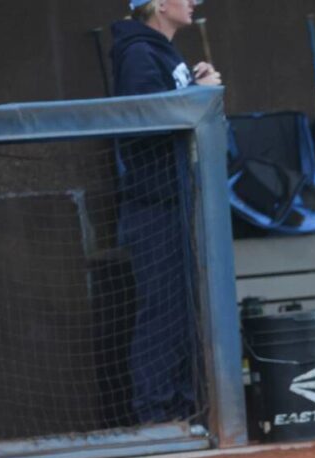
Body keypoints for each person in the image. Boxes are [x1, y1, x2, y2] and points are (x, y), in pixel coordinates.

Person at [109, 0, 221, 423]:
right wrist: (195, 97)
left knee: (180, 314)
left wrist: (195, 90)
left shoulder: (162, 51)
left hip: (175, 202)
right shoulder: (138, 52)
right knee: (162, 313)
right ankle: (156, 416)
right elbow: (144, 123)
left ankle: (179, 409)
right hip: (152, 205)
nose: (194, 2)